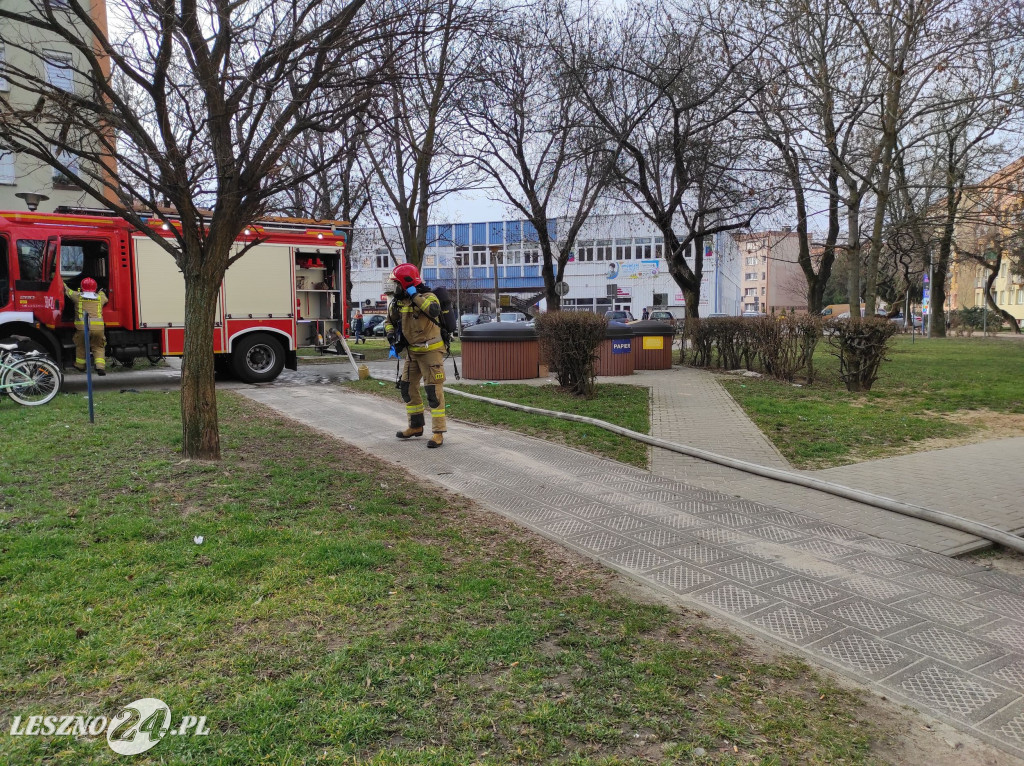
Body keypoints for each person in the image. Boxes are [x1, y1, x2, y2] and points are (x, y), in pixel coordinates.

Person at [384, 263, 447, 448]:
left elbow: (433, 311)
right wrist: (390, 336)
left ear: (406, 283)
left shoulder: (427, 297)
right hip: (413, 352)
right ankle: (416, 426)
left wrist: (414, 295)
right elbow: (389, 321)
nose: (394, 288)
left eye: (396, 283)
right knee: (407, 388)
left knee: (433, 392)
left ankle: (438, 433)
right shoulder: (399, 302)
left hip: (430, 352)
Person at [65, 277, 108, 375]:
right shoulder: (100, 297)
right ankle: (100, 367)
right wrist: (101, 291)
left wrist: (60, 281)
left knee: (81, 346)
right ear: (95, 288)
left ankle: (80, 366)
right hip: (98, 328)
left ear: (81, 287)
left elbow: (67, 291)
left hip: (82, 328)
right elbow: (105, 297)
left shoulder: (77, 296)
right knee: (98, 346)